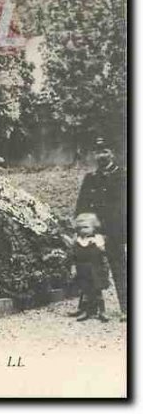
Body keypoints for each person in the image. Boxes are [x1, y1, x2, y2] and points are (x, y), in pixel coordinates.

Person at [75, 138, 127, 320]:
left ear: (112, 153)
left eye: (105, 151)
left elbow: (124, 208)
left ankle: (126, 308)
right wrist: (81, 226)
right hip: (91, 231)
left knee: (120, 268)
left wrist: (114, 230)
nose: (101, 156)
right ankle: (90, 308)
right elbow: (81, 205)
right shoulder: (91, 178)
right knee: (88, 267)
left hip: (114, 231)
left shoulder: (122, 177)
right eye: (98, 152)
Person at [70, 212, 110, 322]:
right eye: (80, 228)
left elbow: (103, 254)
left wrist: (104, 268)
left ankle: (102, 311)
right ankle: (85, 311)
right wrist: (73, 267)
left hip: (95, 269)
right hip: (82, 269)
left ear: (94, 227)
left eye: (86, 227)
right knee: (85, 291)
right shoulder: (77, 240)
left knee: (97, 292)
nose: (83, 230)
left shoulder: (97, 239)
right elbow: (74, 256)